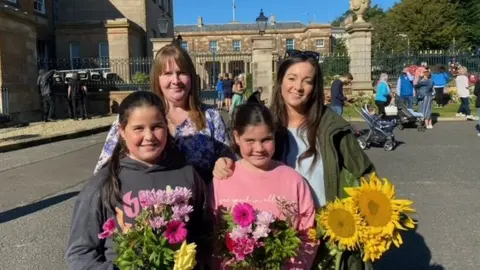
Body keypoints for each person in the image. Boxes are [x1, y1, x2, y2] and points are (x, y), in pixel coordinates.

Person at [213, 50, 375, 269]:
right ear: (280, 81)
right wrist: (223, 162)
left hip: (329, 238)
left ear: (315, 86)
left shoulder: (332, 127)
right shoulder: (268, 125)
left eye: (307, 81)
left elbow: (366, 177)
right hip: (282, 243)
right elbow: (249, 165)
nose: (298, 87)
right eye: (292, 78)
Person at [66, 91, 211, 269]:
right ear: (122, 132)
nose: (149, 136)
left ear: (167, 126)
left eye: (157, 126)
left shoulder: (187, 174)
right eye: (138, 128)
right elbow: (79, 253)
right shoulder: (104, 183)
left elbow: (203, 234)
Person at [93, 43, 232, 186]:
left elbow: (230, 161)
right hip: (145, 203)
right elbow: (103, 170)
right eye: (167, 74)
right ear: (157, 79)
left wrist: (224, 163)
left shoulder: (211, 116)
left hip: (202, 203)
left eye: (182, 73)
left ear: (191, 77)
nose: (176, 81)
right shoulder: (134, 116)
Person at [212, 103, 317, 269]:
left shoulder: (293, 181)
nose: (259, 148)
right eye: (250, 140)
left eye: (266, 140)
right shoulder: (223, 178)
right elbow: (213, 233)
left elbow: (308, 233)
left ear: (274, 136)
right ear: (236, 137)